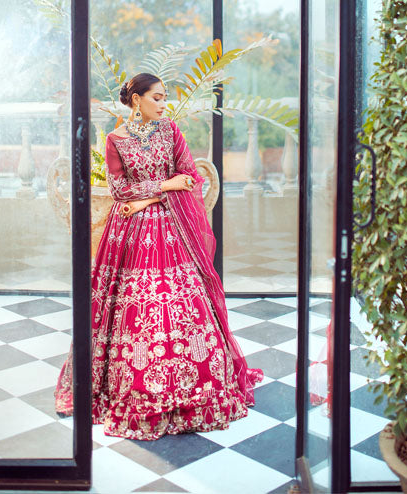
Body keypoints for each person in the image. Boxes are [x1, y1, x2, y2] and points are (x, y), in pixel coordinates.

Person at [55, 72, 263, 440]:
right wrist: (158, 189)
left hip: (172, 227)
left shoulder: (170, 131)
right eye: (157, 97)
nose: (163, 103)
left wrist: (148, 198)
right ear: (136, 100)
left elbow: (188, 178)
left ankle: (192, 389)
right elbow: (120, 189)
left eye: (165, 97)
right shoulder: (115, 139)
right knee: (129, 308)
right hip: (129, 236)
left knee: (183, 303)